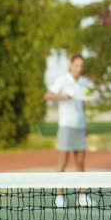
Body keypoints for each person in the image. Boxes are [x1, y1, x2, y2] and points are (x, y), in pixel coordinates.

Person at [44, 53, 96, 208]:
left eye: (81, 66)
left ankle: (82, 196)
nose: (79, 68)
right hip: (65, 126)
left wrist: (85, 125)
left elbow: (84, 103)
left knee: (80, 164)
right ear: (71, 65)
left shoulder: (84, 82)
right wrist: (61, 95)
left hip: (79, 126)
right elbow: (47, 95)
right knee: (63, 162)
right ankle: (59, 196)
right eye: (77, 65)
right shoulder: (62, 80)